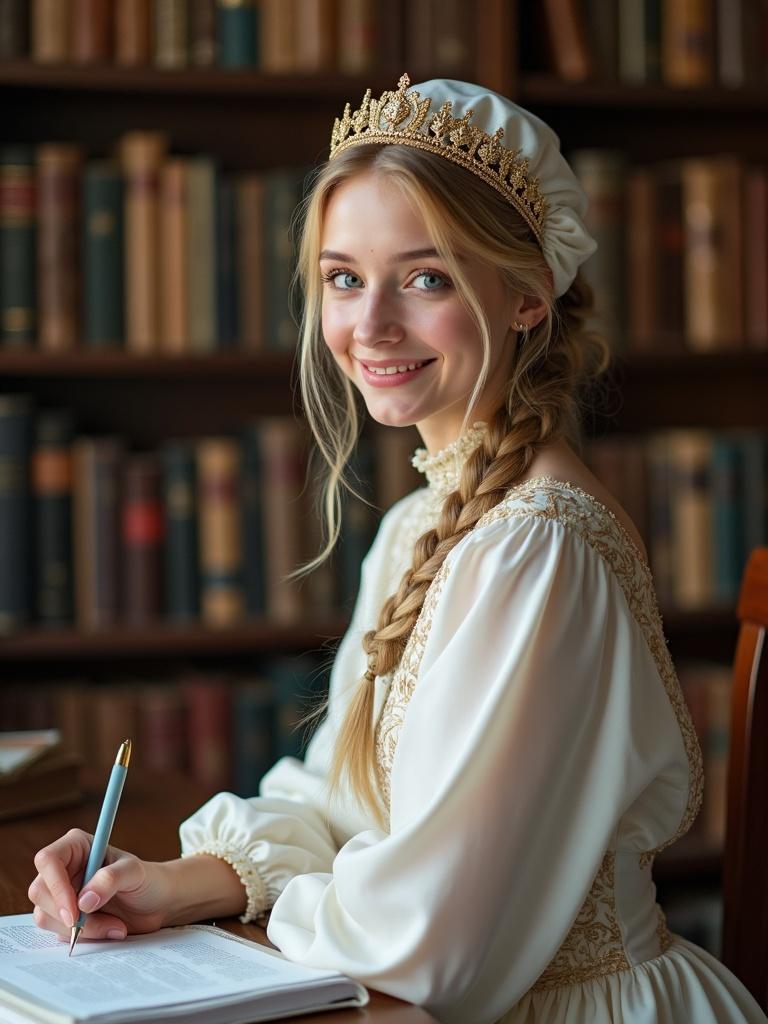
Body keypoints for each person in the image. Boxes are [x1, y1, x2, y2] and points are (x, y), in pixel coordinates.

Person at [28, 75, 767, 1024]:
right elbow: (345, 806)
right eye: (343, 277)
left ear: (528, 296)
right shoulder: (423, 525)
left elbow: (431, 944)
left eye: (426, 278)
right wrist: (180, 881)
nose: (369, 325)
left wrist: (275, 902)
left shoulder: (536, 551)